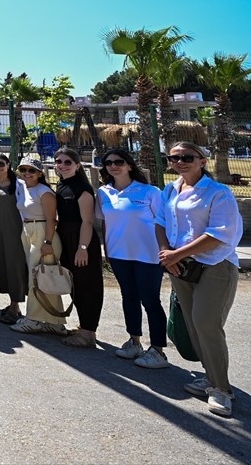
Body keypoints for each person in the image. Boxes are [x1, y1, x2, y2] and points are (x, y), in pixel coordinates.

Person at [156, 141, 244, 418]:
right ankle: (209, 377)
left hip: (215, 264)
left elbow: (220, 233)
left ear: (202, 161)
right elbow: (160, 221)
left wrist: (176, 254)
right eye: (174, 157)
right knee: (193, 324)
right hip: (180, 265)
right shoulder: (170, 189)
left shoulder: (218, 192)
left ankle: (222, 389)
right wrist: (166, 253)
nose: (180, 161)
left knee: (207, 323)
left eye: (187, 157)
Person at [97, 146, 169, 369]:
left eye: (118, 162)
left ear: (129, 165)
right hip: (119, 255)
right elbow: (105, 222)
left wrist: (166, 252)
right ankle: (134, 342)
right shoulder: (103, 193)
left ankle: (157, 350)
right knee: (128, 297)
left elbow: (163, 223)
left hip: (148, 256)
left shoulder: (150, 192)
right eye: (108, 163)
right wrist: (107, 250)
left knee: (150, 301)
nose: (113, 166)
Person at [52, 146, 103, 348]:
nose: (62, 165)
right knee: (75, 285)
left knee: (87, 286)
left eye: (67, 162)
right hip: (65, 237)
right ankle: (85, 329)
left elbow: (87, 221)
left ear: (77, 165)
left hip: (81, 239)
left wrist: (82, 247)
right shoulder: (62, 185)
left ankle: (88, 333)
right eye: (59, 162)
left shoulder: (83, 188)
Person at [11, 157, 68, 335]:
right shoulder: (24, 188)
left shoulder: (44, 192)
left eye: (32, 170)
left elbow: (52, 219)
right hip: (28, 231)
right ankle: (55, 321)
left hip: (43, 232)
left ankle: (33, 319)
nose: (27, 173)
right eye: (24, 170)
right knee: (44, 278)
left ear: (39, 173)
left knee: (35, 278)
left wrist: (48, 242)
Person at [0, 152, 29, 325]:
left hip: (14, 231)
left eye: (0, 164)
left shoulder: (19, 185)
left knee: (15, 266)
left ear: (8, 164)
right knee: (3, 266)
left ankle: (15, 306)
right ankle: (11, 302)